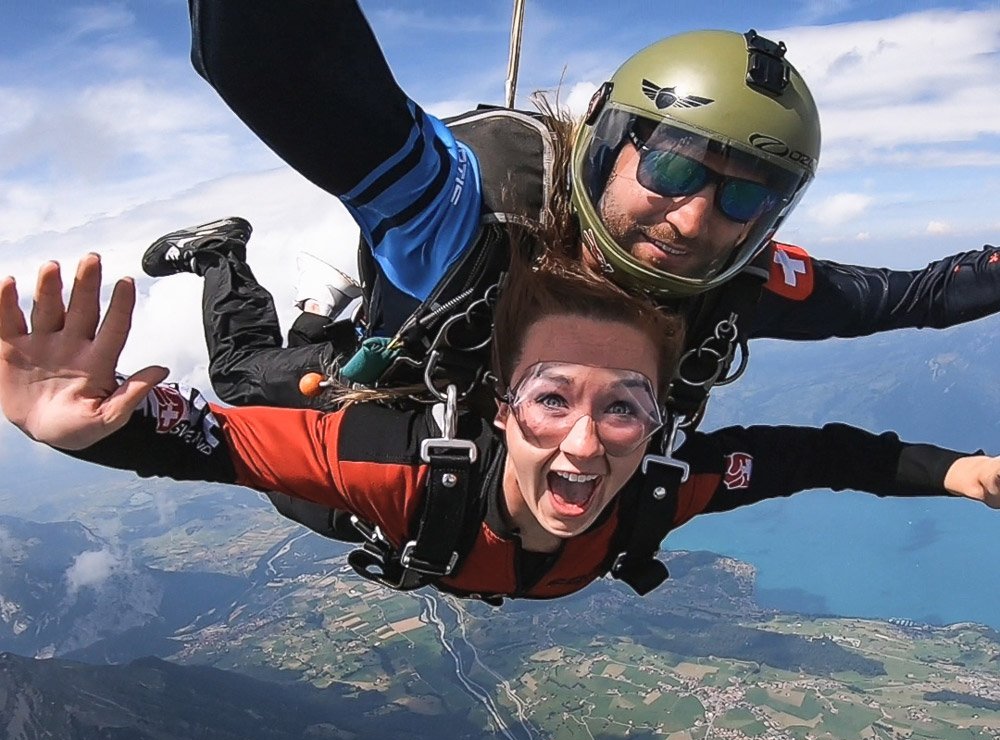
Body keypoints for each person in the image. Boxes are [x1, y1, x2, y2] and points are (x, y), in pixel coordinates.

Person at [165, 1, 1000, 427]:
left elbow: (919, 297)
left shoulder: (734, 280)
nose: (693, 217)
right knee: (248, 379)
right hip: (391, 378)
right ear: (609, 142)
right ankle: (220, 255)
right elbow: (271, 58)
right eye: (671, 164)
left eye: (746, 194)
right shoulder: (472, 218)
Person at [4, 252, 998, 603]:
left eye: (624, 405)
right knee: (267, 400)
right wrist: (91, 432)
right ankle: (299, 302)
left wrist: (948, 470)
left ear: (660, 422)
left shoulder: (663, 480)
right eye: (552, 397)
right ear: (499, 406)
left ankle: (329, 327)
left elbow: (816, 458)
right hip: (373, 503)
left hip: (425, 524)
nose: (585, 441)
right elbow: (211, 440)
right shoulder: (394, 469)